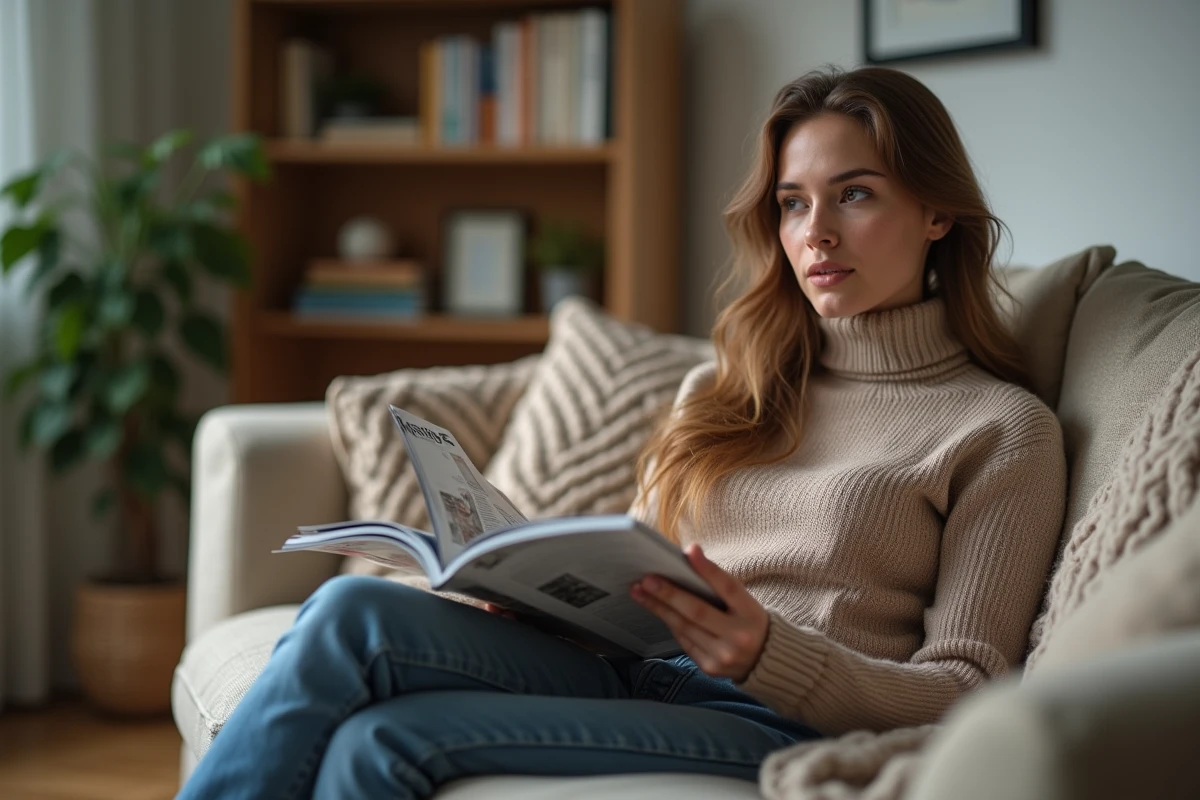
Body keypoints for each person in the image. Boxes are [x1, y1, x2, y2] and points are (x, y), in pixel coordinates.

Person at [176, 66, 1066, 799]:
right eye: (792, 203)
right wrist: (539, 596)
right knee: (347, 612)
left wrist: (771, 653)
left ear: (937, 212)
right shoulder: (725, 388)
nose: (816, 234)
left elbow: (967, 693)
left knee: (382, 744)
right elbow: (642, 571)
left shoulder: (999, 428)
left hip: (769, 718)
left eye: (856, 195)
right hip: (628, 670)